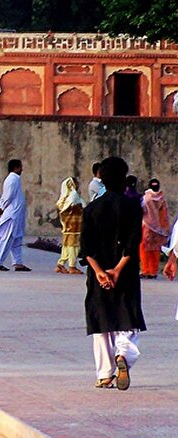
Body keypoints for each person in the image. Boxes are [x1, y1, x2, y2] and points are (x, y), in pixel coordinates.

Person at [80, 156, 145, 390]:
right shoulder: (131, 206)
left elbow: (85, 247)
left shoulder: (91, 209)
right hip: (125, 273)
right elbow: (133, 241)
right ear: (124, 178)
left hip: (98, 275)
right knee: (127, 317)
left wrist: (100, 272)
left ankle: (105, 374)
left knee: (102, 322)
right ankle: (123, 356)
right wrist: (117, 270)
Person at [0, 159, 31, 271]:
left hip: (17, 214)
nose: (22, 169)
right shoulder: (12, 179)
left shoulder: (15, 179)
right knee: (8, 237)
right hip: (13, 214)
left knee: (17, 239)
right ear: (16, 168)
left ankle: (18, 263)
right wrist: (2, 207)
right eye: (20, 167)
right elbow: (8, 195)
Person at [139, 179, 169, 279]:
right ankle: (153, 271)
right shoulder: (162, 198)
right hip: (158, 227)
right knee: (155, 249)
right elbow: (164, 214)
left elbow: (142, 210)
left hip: (147, 225)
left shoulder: (146, 197)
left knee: (144, 248)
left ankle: (145, 270)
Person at [56, 177, 84, 274]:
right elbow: (79, 207)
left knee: (67, 245)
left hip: (67, 225)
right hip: (74, 225)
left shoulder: (64, 197)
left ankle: (61, 264)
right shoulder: (74, 195)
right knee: (74, 246)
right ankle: (72, 266)